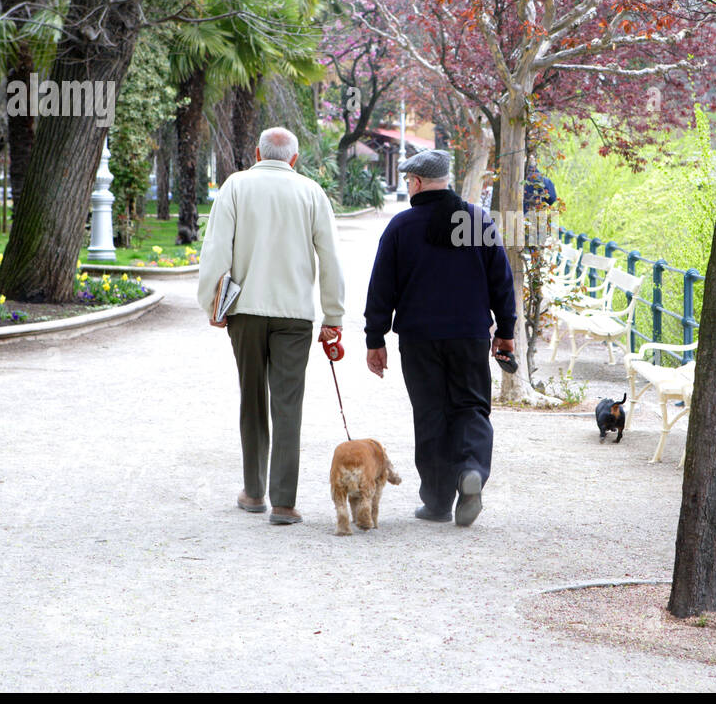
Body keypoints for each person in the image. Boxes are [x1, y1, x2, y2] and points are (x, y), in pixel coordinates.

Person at [197, 127, 345, 526]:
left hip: (245, 311)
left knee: (252, 400)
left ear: (256, 152)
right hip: (295, 315)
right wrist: (333, 317)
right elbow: (330, 257)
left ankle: (253, 491)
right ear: (294, 159)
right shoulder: (312, 192)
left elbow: (215, 249)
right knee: (288, 405)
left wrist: (212, 302)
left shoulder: (235, 186)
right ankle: (283, 502)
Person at [363, 148, 515, 527]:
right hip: (469, 335)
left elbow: (381, 288)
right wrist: (507, 331)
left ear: (415, 183)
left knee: (430, 414)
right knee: (471, 407)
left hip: (419, 339)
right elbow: (502, 282)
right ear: (445, 179)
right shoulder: (478, 222)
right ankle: (472, 469)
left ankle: (436, 500)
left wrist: (374, 338)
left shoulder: (401, 227)